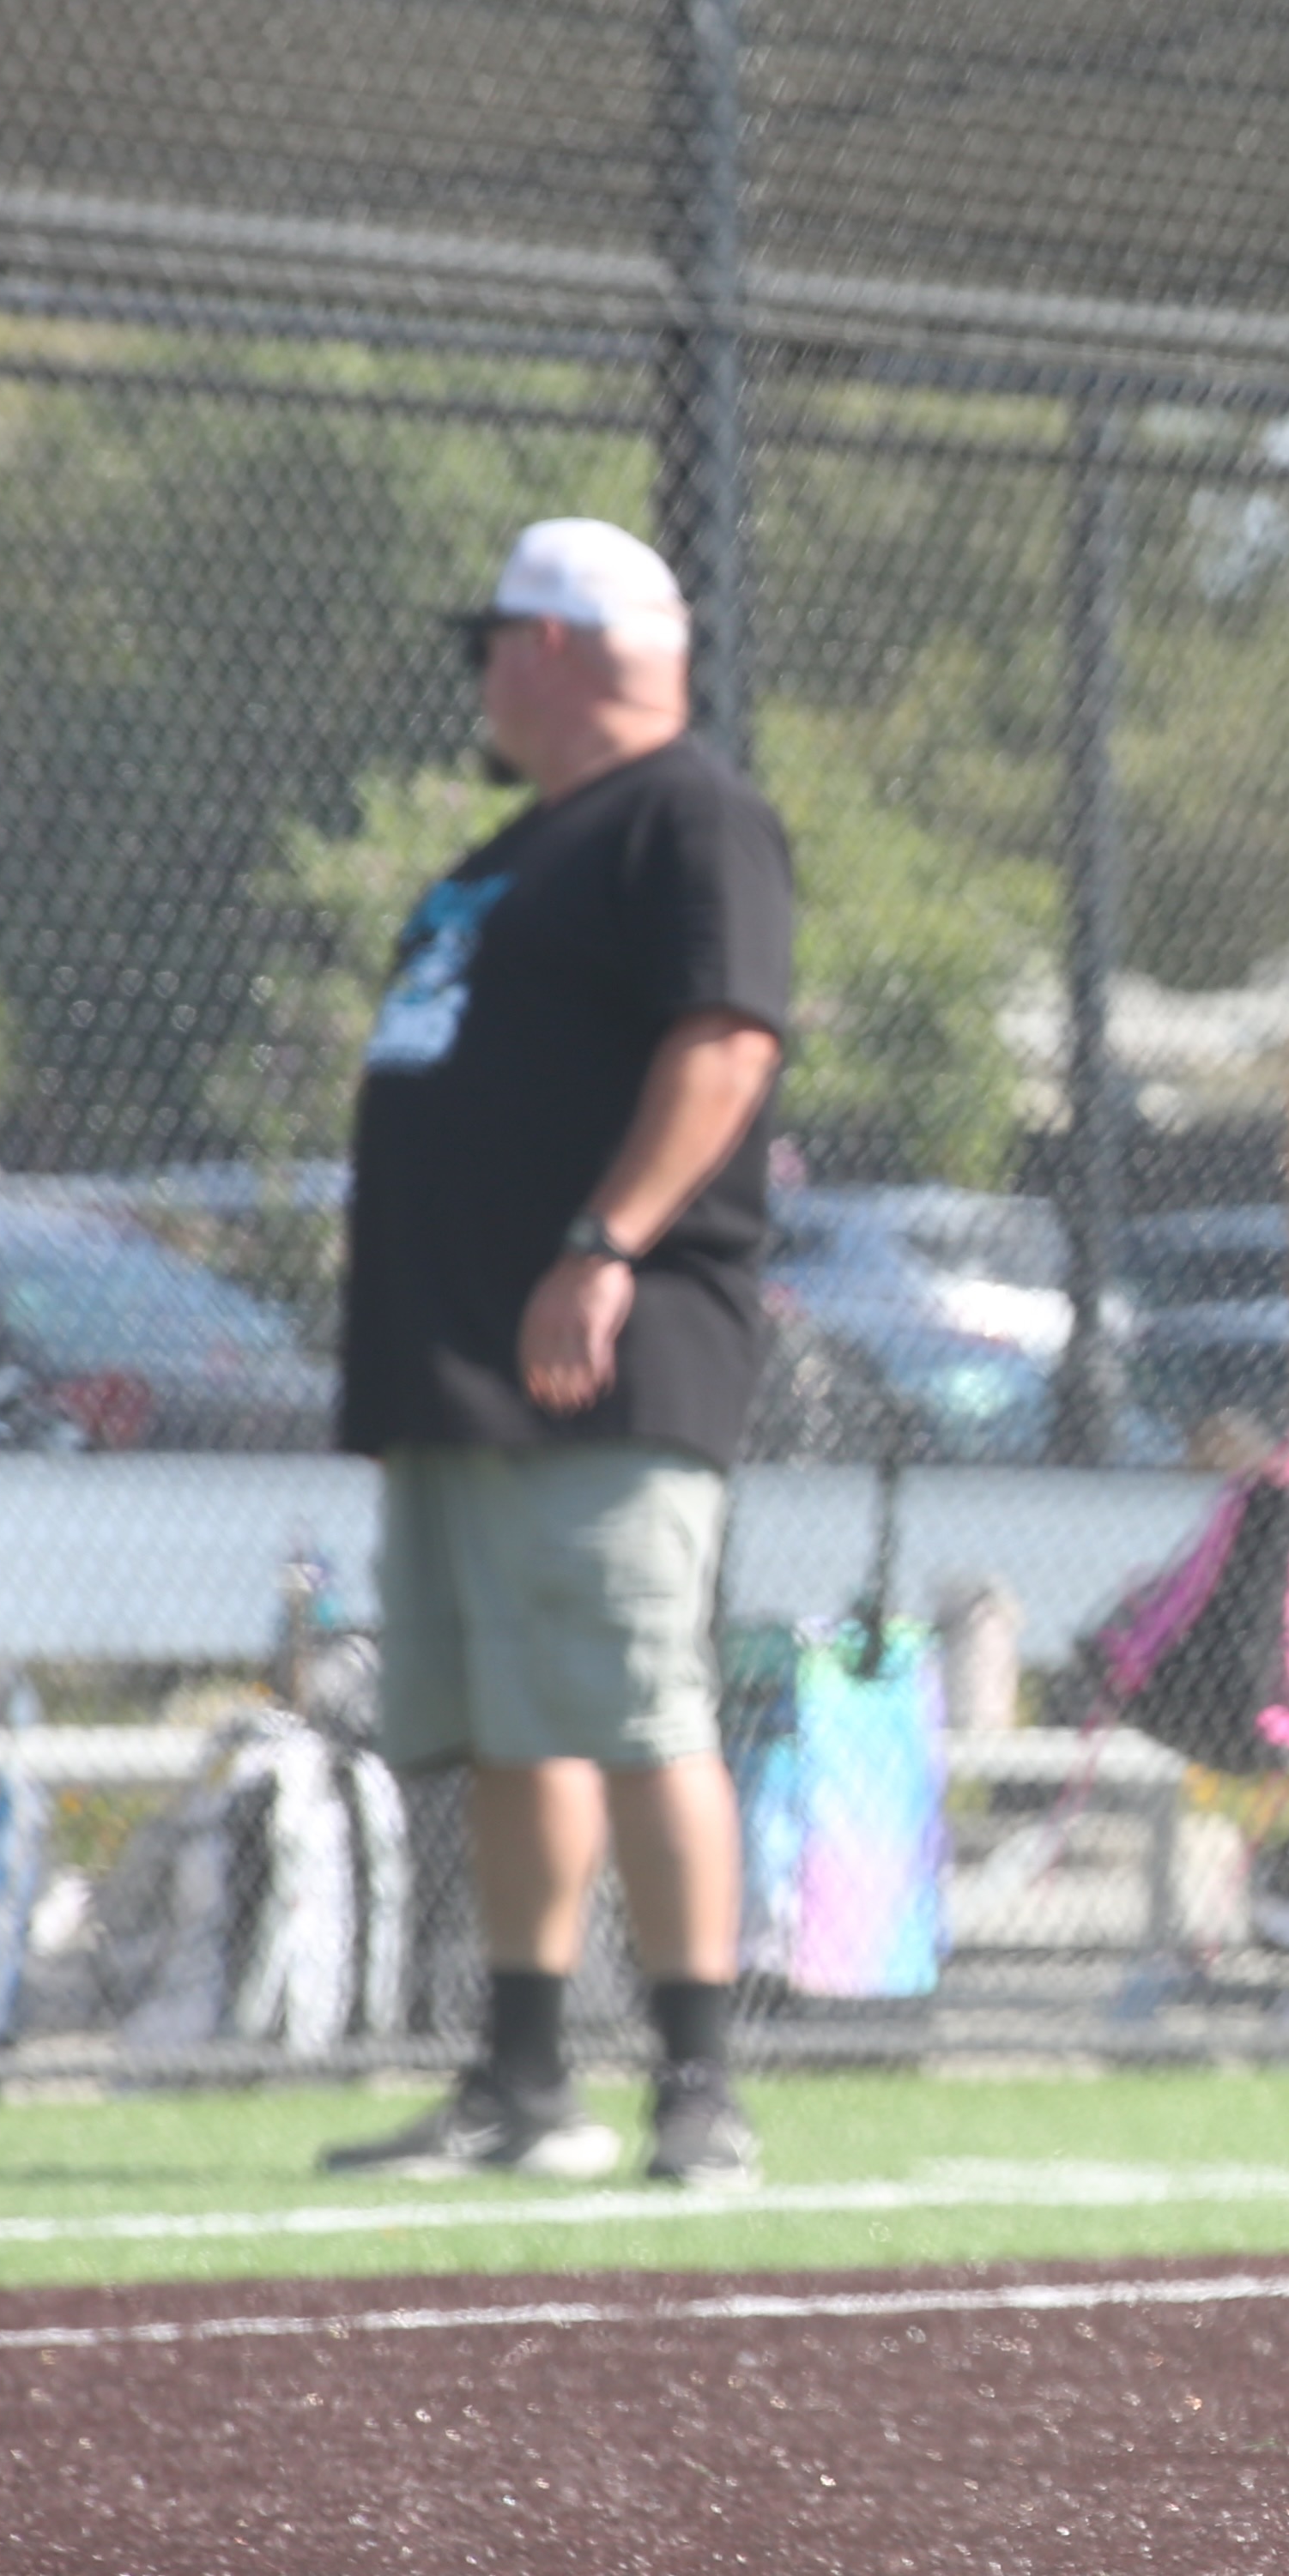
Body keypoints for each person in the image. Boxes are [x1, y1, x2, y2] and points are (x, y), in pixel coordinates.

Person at [320, 518, 792, 2189]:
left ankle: (698, 2087)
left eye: (490, 645)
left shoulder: (689, 815)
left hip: (610, 1355)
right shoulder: (523, 847)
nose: (479, 679)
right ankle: (521, 2085)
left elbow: (726, 1044)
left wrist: (603, 1246)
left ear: (553, 648)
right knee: (511, 1724)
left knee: (637, 1705)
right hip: (465, 1364)